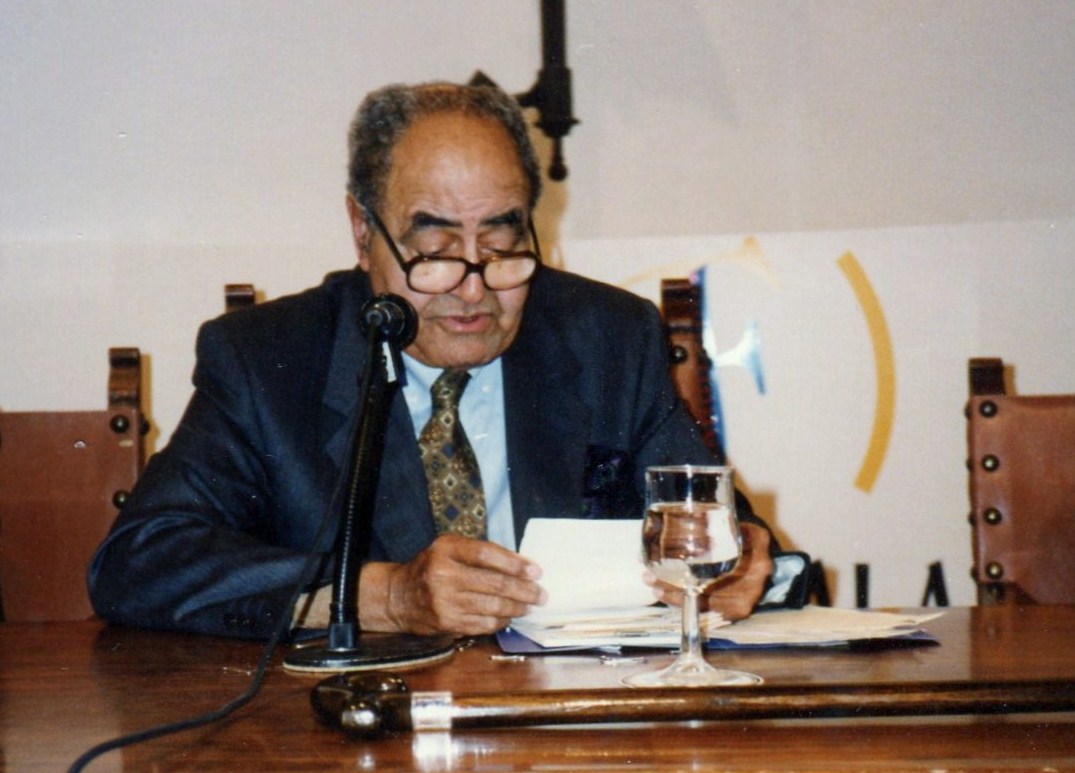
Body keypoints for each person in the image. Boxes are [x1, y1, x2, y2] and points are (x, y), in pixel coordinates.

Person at [89, 82, 804, 641]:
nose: (472, 287)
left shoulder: (607, 336)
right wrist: (385, 595)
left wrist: (739, 561)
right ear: (363, 232)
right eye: (432, 253)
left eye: (501, 244)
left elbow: (713, 527)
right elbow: (141, 562)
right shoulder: (265, 357)